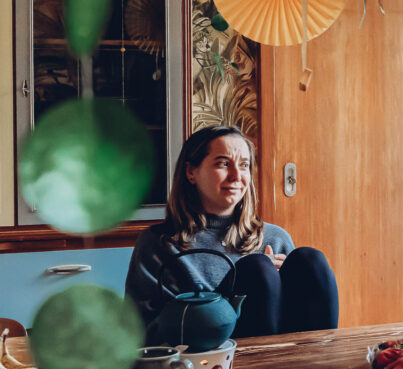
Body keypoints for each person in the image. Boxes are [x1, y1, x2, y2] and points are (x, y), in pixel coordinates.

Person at [126, 125, 338, 343]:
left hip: (289, 360)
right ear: (191, 172)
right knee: (258, 269)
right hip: (211, 363)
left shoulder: (276, 238)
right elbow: (143, 334)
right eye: (223, 164)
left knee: (311, 260)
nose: (237, 176)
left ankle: (320, 368)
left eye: (244, 165)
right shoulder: (159, 244)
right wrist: (235, 290)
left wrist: (284, 282)